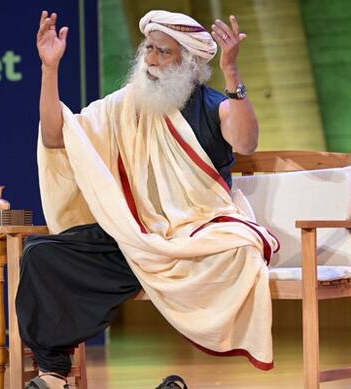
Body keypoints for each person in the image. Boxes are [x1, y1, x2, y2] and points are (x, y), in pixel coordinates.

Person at [16, 9, 279, 389]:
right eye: (149, 50)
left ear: (189, 62)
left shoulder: (212, 107)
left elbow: (246, 141)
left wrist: (233, 73)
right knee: (40, 254)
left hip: (194, 236)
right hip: (136, 236)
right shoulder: (126, 105)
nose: (152, 61)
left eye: (164, 52)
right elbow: (57, 137)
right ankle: (54, 373)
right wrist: (49, 69)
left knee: (238, 250)